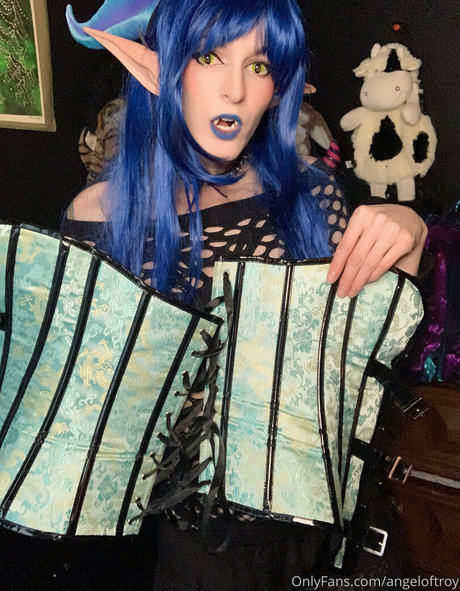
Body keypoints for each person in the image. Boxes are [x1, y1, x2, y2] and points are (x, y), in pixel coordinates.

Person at [61, 0, 428, 588]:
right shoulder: (101, 216)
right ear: (160, 68)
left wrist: (408, 235)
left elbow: (366, 381)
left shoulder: (312, 198)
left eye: (258, 67)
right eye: (209, 57)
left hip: (330, 535)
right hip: (196, 553)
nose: (235, 90)